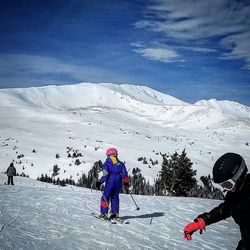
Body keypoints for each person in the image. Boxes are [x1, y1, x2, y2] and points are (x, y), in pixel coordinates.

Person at [183, 152, 250, 250]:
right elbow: (224, 210)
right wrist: (202, 221)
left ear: (238, 176)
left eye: (227, 185)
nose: (227, 189)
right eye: (223, 186)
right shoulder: (235, 195)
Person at [96, 148, 129, 220]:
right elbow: (124, 174)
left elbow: (105, 175)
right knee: (115, 198)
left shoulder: (107, 164)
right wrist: (126, 182)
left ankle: (104, 213)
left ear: (109, 155)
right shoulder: (121, 164)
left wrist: (100, 182)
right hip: (118, 183)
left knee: (105, 197)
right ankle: (115, 213)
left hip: (110, 183)